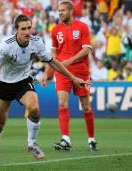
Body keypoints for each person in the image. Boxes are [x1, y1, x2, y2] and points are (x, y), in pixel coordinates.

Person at [0, 14, 89, 167]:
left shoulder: (37, 42)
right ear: (16, 30)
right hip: (3, 84)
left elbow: (53, 62)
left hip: (23, 81)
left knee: (35, 109)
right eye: (23, 29)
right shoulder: (6, 45)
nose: (27, 32)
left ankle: (31, 143)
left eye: (29, 28)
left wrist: (73, 78)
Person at [42, 0, 97, 151]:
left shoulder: (82, 27)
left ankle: (91, 139)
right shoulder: (55, 30)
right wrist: (47, 72)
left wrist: (68, 61)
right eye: (59, 10)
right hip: (62, 71)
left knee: (85, 106)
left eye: (63, 10)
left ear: (71, 11)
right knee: (62, 103)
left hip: (80, 70)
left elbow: (86, 50)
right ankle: (66, 139)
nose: (60, 13)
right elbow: (52, 55)